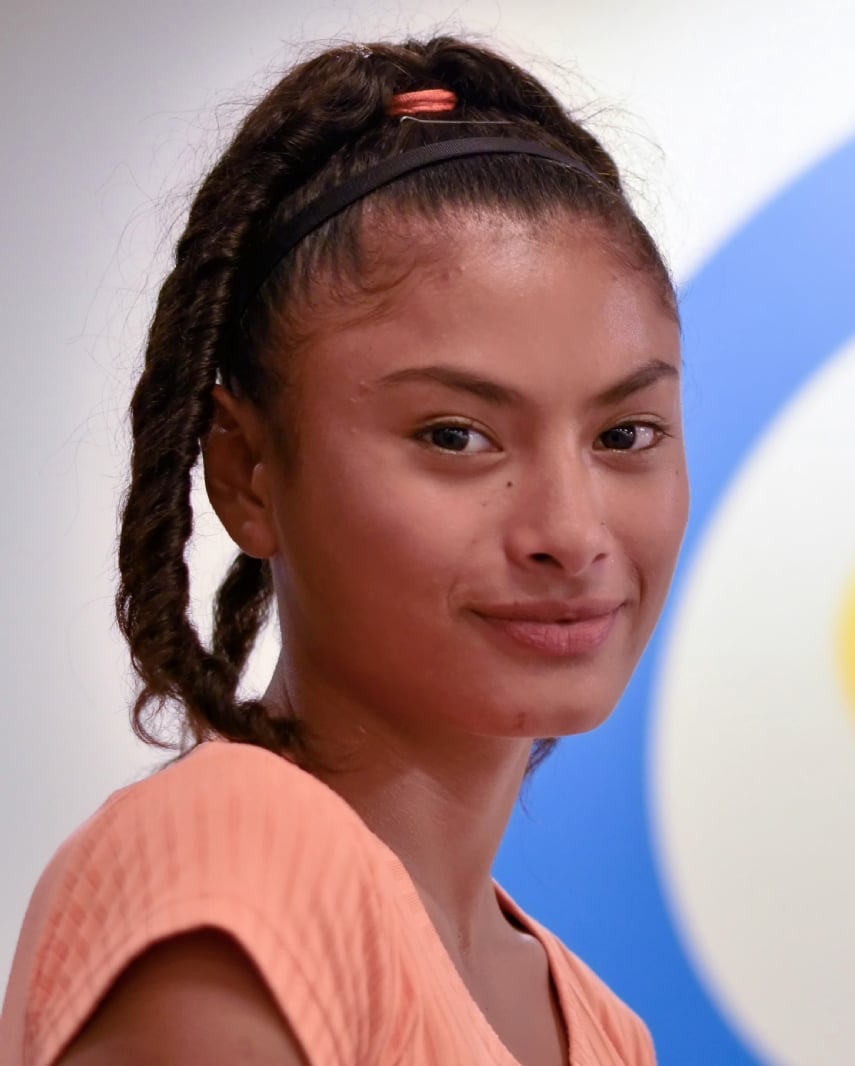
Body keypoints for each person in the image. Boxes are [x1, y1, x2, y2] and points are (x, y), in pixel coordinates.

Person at [0, 34, 687, 1066]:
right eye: (454, 436)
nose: (571, 533)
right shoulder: (236, 874)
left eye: (624, 434)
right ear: (248, 473)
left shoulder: (602, 1027)